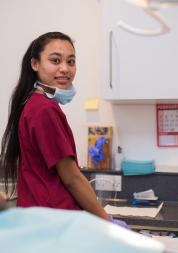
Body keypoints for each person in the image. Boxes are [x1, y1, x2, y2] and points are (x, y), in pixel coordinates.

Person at [0, 32, 127, 227]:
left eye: (71, 61)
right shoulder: (44, 109)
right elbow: (72, 178)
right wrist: (106, 223)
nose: (65, 69)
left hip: (41, 217)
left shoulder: (33, 103)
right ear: (35, 64)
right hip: (54, 219)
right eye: (55, 60)